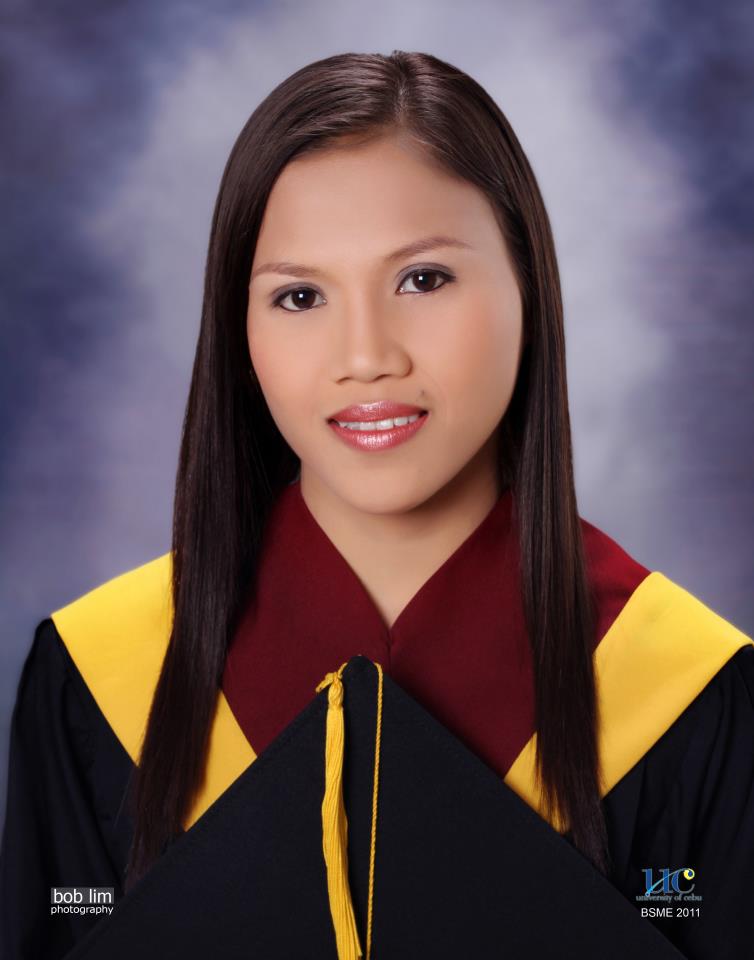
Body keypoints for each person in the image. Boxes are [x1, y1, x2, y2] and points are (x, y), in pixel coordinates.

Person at [1, 50, 752, 960]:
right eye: (300, 295)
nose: (365, 355)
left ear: (530, 290)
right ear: (238, 331)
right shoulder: (99, 678)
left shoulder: (689, 690)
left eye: (423, 279)